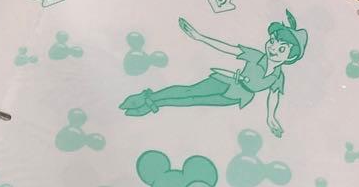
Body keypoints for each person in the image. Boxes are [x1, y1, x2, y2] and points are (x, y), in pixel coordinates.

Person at [120, 11, 307, 137]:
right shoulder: (256, 56)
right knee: (189, 91)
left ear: (290, 57)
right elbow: (229, 49)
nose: (273, 48)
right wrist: (200, 37)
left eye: (281, 49)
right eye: (272, 42)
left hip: (238, 97)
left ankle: (152, 105)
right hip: (226, 81)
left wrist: (271, 117)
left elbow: (273, 96)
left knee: (193, 101)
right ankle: (148, 97)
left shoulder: (278, 77)